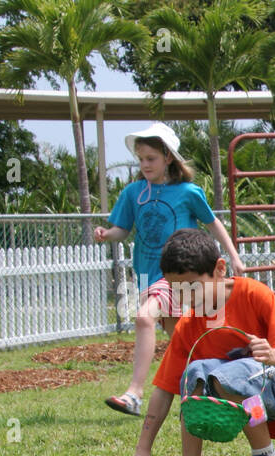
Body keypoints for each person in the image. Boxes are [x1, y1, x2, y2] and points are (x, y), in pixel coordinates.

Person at [112, 229, 275, 456]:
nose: (185, 296)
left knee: (231, 375)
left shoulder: (253, 294)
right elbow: (164, 390)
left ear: (220, 269)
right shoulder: (189, 324)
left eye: (193, 285)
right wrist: (142, 449)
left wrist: (272, 354)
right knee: (193, 375)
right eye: (177, 289)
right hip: (237, 387)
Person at [95, 122, 244, 418]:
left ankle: (135, 394)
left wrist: (234, 256)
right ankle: (218, 387)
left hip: (179, 275)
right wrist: (106, 234)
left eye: (150, 158)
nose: (144, 164)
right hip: (148, 274)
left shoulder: (189, 192)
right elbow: (122, 230)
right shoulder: (133, 193)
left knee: (143, 318)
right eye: (140, 159)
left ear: (168, 158)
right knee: (182, 340)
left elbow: (212, 222)